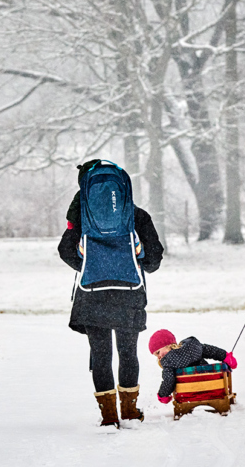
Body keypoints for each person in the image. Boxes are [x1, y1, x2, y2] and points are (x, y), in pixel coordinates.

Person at [58, 159, 163, 428]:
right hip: (128, 293)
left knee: (101, 354)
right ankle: (129, 412)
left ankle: (108, 417)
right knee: (128, 353)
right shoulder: (137, 216)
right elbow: (153, 260)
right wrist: (134, 262)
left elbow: (65, 250)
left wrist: (90, 266)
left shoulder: (80, 216)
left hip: (92, 292)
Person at [147, 329, 237, 404]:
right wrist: (226, 356)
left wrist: (163, 395)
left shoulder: (168, 363)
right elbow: (211, 351)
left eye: (158, 352)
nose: (159, 357)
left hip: (187, 394)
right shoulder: (193, 347)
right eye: (156, 356)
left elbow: (168, 380)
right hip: (211, 388)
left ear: (168, 345)